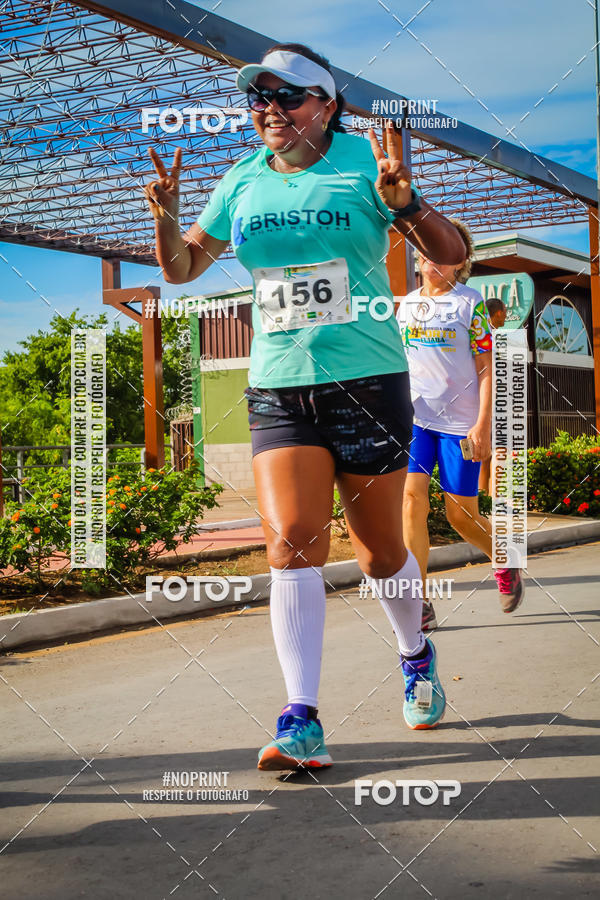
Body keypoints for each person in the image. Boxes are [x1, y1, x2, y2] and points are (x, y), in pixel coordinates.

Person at [145, 43, 467, 771]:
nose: (270, 109)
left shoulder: (364, 162)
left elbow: (448, 256)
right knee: (291, 541)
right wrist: (167, 218)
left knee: (379, 553)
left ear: (326, 104)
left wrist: (405, 204)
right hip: (279, 382)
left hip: (368, 379)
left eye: (287, 96)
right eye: (258, 98)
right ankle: (301, 718)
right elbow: (182, 267)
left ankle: (415, 655)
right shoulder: (242, 178)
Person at [398, 224, 525, 631]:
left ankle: (504, 559)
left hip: (460, 425)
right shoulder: (407, 305)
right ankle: (418, 602)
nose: (431, 258)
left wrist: (483, 425)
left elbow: (487, 368)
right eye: (426, 249)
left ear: (460, 261)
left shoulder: (470, 304)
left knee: (460, 516)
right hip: (416, 421)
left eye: (442, 252)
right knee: (411, 502)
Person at [479, 297, 507, 494]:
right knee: (490, 450)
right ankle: (487, 496)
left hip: (491, 399)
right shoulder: (486, 334)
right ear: (498, 313)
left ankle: (486, 496)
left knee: (489, 451)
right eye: (505, 311)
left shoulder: (491, 333)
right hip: (486, 400)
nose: (506, 316)